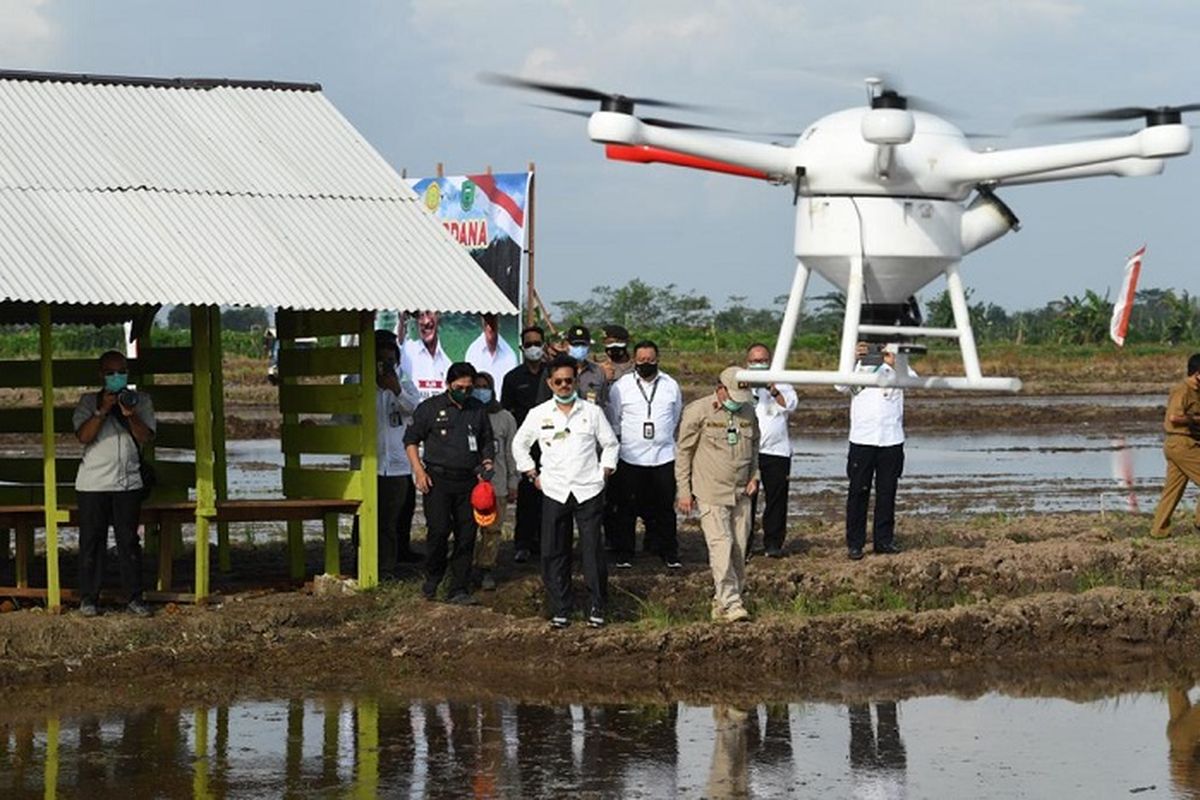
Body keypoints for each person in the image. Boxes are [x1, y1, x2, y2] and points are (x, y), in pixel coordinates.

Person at [512, 354, 619, 629]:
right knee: (553, 551)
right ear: (550, 383)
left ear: (576, 381)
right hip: (554, 490)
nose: (563, 386)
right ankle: (561, 606)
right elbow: (519, 445)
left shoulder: (592, 412)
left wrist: (604, 471)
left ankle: (597, 605)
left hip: (588, 490)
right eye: (558, 381)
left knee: (592, 549)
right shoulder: (538, 414)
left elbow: (610, 444)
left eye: (568, 381)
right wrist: (531, 474)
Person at [72, 350, 157, 617]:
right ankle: (89, 598)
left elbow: (145, 437)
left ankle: (134, 597)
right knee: (91, 541)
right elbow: (83, 437)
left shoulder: (140, 400)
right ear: (101, 375)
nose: (116, 377)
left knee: (128, 541)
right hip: (93, 483)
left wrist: (130, 413)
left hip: (128, 483)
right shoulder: (88, 402)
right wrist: (102, 410)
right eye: (110, 373)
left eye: (121, 372)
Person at [405, 362, 495, 604]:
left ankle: (459, 587)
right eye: (459, 387)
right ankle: (433, 578)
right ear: (448, 384)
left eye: (468, 388)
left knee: (467, 534)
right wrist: (418, 471)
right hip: (437, 480)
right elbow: (411, 440)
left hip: (468, 481)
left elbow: (486, 439)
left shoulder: (477, 408)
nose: (464, 392)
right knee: (439, 530)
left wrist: (487, 461)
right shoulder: (430, 408)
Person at [675, 367, 760, 623]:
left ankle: (722, 601)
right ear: (720, 388)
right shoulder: (698, 411)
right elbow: (684, 453)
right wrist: (684, 492)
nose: (737, 401)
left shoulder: (748, 411)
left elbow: (755, 446)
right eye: (732, 395)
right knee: (721, 546)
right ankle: (733, 603)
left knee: (738, 549)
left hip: (741, 492)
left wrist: (755, 476)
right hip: (710, 490)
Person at [606, 340, 684, 569]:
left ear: (657, 359)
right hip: (631, 457)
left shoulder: (671, 385)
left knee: (664, 508)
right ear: (634, 361)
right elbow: (614, 419)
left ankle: (669, 552)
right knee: (626, 508)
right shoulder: (622, 386)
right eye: (641, 361)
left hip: (663, 456)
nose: (646, 364)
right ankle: (625, 553)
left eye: (650, 360)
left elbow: (675, 415)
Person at [839, 342, 910, 560]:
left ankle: (884, 541)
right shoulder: (857, 367)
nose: (875, 352)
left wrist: (894, 361)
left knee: (887, 493)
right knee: (858, 493)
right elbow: (840, 386)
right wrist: (852, 358)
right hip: (862, 439)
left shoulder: (898, 367)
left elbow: (912, 380)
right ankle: (855, 544)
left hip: (891, 439)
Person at [371, 330, 423, 577]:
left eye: (391, 359)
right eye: (381, 359)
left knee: (390, 520)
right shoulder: (356, 382)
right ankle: (363, 562)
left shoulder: (405, 383)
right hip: (368, 464)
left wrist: (397, 390)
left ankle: (386, 568)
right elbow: (344, 418)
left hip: (396, 466)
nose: (387, 364)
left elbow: (416, 411)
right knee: (365, 519)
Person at [501, 325, 553, 563]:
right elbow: (506, 412)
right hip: (524, 445)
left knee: (550, 495)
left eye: (537, 343)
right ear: (522, 348)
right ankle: (522, 543)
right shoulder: (513, 378)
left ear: (544, 345)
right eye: (529, 344)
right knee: (526, 496)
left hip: (551, 444)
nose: (533, 348)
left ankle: (547, 543)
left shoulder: (552, 375)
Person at [746, 343, 798, 559]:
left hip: (777, 451)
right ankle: (745, 544)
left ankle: (773, 543)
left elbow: (791, 405)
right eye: (755, 361)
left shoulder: (782, 381)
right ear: (747, 362)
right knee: (746, 501)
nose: (759, 364)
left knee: (776, 500)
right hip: (748, 451)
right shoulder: (741, 381)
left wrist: (772, 389)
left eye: (763, 360)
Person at [471, 371, 519, 590]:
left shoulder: (505, 418)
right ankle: (465, 567)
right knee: (467, 528)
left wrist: (513, 483)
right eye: (477, 386)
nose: (481, 390)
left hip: (497, 484)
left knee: (492, 529)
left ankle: (486, 568)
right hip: (470, 484)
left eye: (485, 386)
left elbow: (511, 453)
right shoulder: (466, 415)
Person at [1150, 353, 1200, 537]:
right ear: (1197, 374)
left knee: (1173, 490)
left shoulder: (1197, 391)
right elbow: (1174, 417)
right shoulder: (1182, 390)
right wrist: (1196, 419)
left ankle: (1159, 531)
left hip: (1182, 445)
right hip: (1181, 444)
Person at [465, 313, 518, 401]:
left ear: (498, 321)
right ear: (482, 321)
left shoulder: (510, 355)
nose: (490, 325)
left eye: (493, 319)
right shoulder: (472, 352)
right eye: (486, 320)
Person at [402, 310, 452, 400]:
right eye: (420, 316)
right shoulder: (406, 351)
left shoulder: (448, 362)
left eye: (429, 313)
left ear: (438, 316)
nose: (425, 322)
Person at [564, 325, 607, 407]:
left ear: (589, 346)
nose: (580, 348)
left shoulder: (598, 372)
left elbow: (604, 402)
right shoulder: (557, 370)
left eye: (583, 345)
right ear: (567, 345)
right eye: (575, 345)